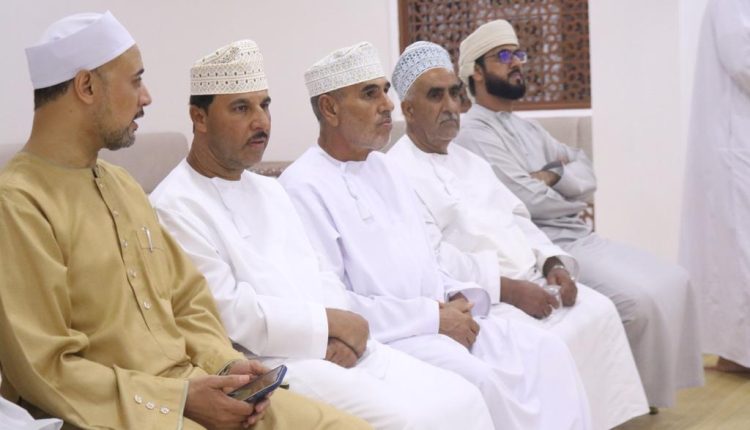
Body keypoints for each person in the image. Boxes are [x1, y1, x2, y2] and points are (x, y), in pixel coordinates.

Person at [0, 12, 368, 430]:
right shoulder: (19, 203)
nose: (147, 98)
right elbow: (46, 369)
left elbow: (187, 299)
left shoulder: (122, 185)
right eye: (135, 81)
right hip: (118, 415)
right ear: (86, 86)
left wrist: (226, 367)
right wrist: (178, 400)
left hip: (195, 387)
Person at [150, 39, 494, 430]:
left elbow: (320, 271)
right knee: (408, 420)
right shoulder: (174, 206)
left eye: (264, 105)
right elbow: (228, 314)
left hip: (340, 345)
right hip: (274, 362)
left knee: (464, 397)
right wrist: (326, 330)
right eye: (242, 108)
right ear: (199, 117)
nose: (261, 122)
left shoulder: (269, 189)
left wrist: (344, 331)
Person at [279, 41, 593, 430]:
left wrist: (458, 296)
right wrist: (433, 317)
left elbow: (427, 259)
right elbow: (335, 303)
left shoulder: (386, 169)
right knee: (480, 383)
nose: (387, 105)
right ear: (330, 109)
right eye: (370, 94)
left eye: (385, 91)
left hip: (442, 315)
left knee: (547, 351)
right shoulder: (302, 186)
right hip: (393, 336)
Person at [387, 40, 648, 429]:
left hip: (533, 279)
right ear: (408, 109)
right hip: (484, 298)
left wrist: (554, 263)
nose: (451, 106)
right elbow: (433, 260)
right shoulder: (395, 173)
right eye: (436, 96)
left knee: (599, 310)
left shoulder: (471, 162)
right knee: (549, 347)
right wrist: (508, 290)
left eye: (455, 94)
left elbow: (519, 219)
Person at [454, 19, 704, 408]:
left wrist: (552, 176)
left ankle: (640, 395)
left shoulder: (527, 128)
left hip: (578, 233)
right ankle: (623, 402)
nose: (517, 62)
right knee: (637, 303)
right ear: (477, 71)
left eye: (519, 54)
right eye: (503, 55)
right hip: (548, 243)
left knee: (676, 279)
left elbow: (586, 171)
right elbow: (526, 200)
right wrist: (568, 193)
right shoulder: (473, 131)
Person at [680, 0, 750, 373]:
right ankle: (739, 353)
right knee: (739, 251)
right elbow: (743, 61)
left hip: (738, 137)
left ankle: (737, 352)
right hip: (735, 138)